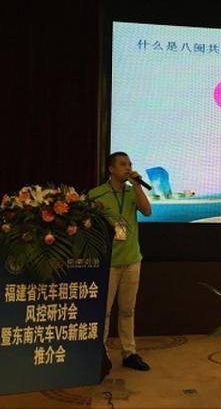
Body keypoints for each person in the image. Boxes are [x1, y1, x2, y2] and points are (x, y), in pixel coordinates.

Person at [89, 151, 152, 371]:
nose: (128, 168)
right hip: (108, 262)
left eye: (130, 164)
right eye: (123, 164)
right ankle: (100, 354)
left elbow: (147, 211)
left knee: (127, 310)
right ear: (111, 169)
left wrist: (138, 186)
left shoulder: (132, 191)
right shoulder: (97, 194)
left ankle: (129, 353)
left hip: (132, 258)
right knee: (104, 311)